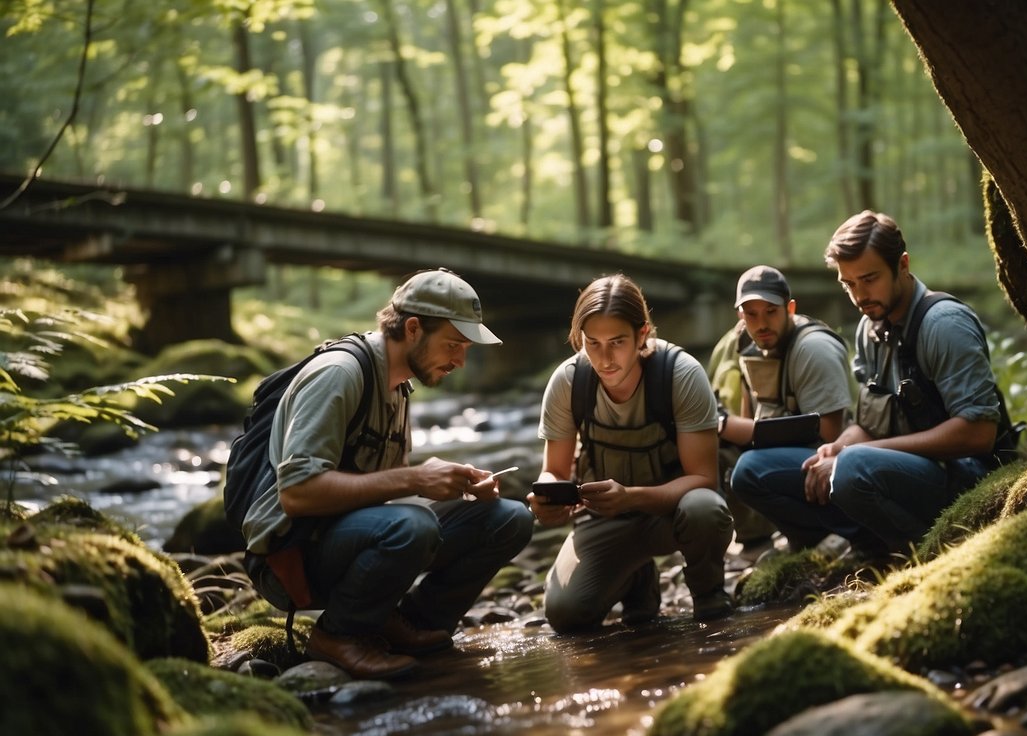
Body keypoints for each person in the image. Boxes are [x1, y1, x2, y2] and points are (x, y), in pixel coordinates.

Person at [242, 268, 533, 679]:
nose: (460, 360)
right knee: (411, 526)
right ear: (413, 328)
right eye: (453, 344)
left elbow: (382, 494)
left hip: (343, 538)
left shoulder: (398, 386)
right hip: (290, 557)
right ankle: (338, 636)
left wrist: (458, 487)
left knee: (509, 518)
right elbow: (297, 493)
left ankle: (407, 622)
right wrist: (416, 479)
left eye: (465, 348)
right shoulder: (339, 374)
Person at [731, 211, 1008, 561]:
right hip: (898, 470)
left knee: (852, 467)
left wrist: (853, 455)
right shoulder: (869, 327)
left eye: (870, 279)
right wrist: (837, 447)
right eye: (849, 284)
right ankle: (873, 545)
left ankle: (931, 551)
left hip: (966, 478)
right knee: (751, 471)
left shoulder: (944, 324)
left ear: (902, 265)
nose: (860, 295)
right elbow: (869, 422)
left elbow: (979, 433)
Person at [530, 274, 735, 632]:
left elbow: (704, 479)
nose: (604, 358)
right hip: (604, 518)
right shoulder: (568, 381)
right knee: (565, 614)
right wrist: (548, 496)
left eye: (617, 342)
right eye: (591, 343)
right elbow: (555, 471)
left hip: (673, 515)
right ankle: (638, 579)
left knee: (705, 508)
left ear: (643, 334)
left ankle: (708, 594)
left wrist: (629, 498)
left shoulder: (681, 374)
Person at [706, 265, 852, 549]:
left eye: (771, 312)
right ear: (741, 316)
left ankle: (830, 535)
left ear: (790, 308)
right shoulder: (746, 344)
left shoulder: (814, 349)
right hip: (784, 453)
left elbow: (830, 434)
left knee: (748, 470)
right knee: (714, 449)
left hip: (832, 462)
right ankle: (759, 539)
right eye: (752, 314)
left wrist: (736, 428)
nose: (761, 324)